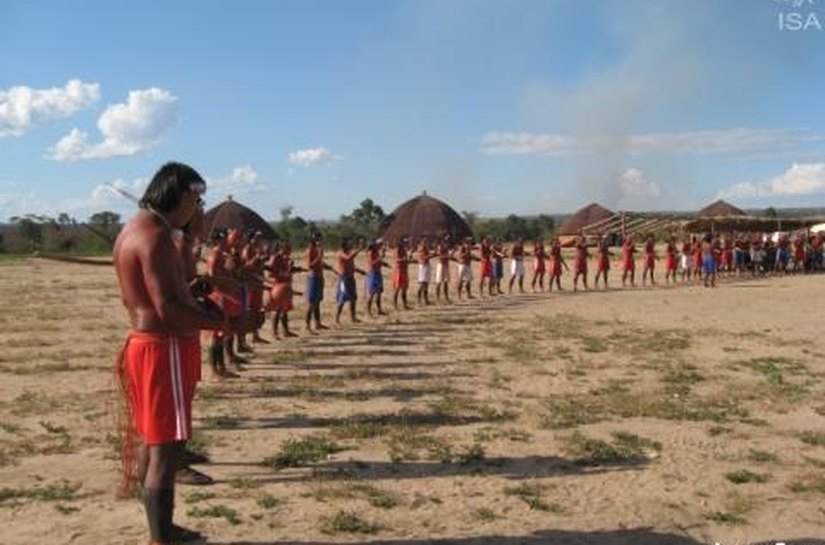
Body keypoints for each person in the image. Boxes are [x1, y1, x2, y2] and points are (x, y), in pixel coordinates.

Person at [113, 162, 252, 545]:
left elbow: (171, 292)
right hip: (164, 347)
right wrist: (225, 323)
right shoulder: (156, 236)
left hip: (150, 347)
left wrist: (199, 290)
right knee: (167, 450)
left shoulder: (135, 230)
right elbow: (168, 307)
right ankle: (162, 538)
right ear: (180, 194)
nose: (198, 207)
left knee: (153, 439)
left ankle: (161, 530)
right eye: (196, 198)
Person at [304, 231, 328, 334]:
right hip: (313, 278)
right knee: (311, 303)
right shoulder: (310, 250)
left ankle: (318, 323)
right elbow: (309, 265)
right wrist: (318, 256)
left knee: (317, 302)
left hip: (319, 277)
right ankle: (307, 326)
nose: (322, 240)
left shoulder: (318, 250)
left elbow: (320, 263)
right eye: (320, 238)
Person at [335, 238, 363, 325]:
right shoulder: (341, 253)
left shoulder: (348, 253)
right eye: (349, 243)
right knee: (342, 299)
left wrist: (359, 271)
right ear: (345, 245)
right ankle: (337, 319)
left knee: (353, 299)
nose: (351, 245)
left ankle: (353, 317)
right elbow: (348, 258)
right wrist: (359, 249)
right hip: (344, 279)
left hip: (351, 278)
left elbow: (351, 265)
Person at [365, 238, 387, 316]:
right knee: (372, 293)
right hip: (373, 274)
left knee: (379, 293)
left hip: (377, 273)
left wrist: (384, 263)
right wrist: (380, 258)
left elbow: (378, 261)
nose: (380, 246)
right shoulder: (370, 253)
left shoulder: (376, 252)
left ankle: (379, 310)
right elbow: (372, 263)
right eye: (378, 244)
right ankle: (369, 312)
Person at [392, 237, 412, 310]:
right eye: (405, 242)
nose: (406, 243)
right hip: (399, 271)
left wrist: (409, 258)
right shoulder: (397, 249)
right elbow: (397, 260)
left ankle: (405, 305)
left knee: (404, 288)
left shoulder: (404, 249)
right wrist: (405, 259)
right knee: (397, 288)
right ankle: (395, 305)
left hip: (404, 270)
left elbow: (405, 260)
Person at [434, 235, 453, 303]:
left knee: (446, 282)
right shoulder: (440, 246)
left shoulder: (445, 246)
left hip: (446, 265)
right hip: (441, 264)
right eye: (446, 238)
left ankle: (446, 297)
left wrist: (450, 255)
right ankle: (437, 298)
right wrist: (448, 256)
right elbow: (439, 256)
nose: (447, 239)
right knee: (439, 282)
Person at [416, 237, 433, 305]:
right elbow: (423, 257)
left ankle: (426, 300)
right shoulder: (421, 248)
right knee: (422, 283)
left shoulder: (425, 248)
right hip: (423, 266)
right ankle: (419, 300)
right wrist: (431, 256)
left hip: (426, 265)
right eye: (424, 240)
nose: (426, 242)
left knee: (426, 284)